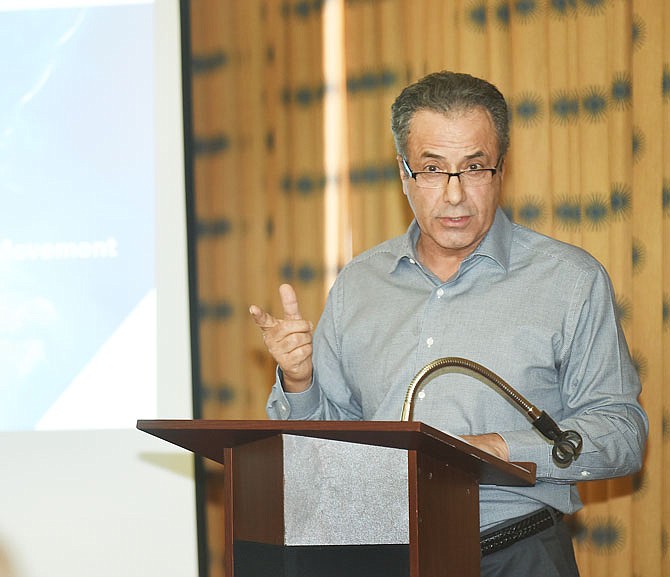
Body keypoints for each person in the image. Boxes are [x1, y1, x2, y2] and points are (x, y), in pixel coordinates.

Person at [249, 71, 648, 577]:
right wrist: (300, 382)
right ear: (403, 174)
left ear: (501, 169)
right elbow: (327, 445)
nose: (455, 195)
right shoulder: (359, 284)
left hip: (516, 553)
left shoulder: (569, 280)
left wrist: (497, 450)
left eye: (474, 167)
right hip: (379, 555)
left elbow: (621, 434)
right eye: (433, 170)